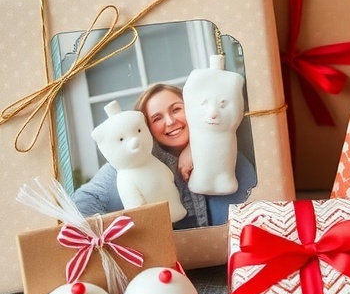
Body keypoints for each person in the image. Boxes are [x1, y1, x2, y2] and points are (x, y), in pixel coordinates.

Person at [73, 82, 256, 226]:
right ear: (146, 128)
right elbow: (82, 204)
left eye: (176, 109)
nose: (170, 121)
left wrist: (199, 145)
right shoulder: (133, 164)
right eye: (157, 118)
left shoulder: (225, 143)